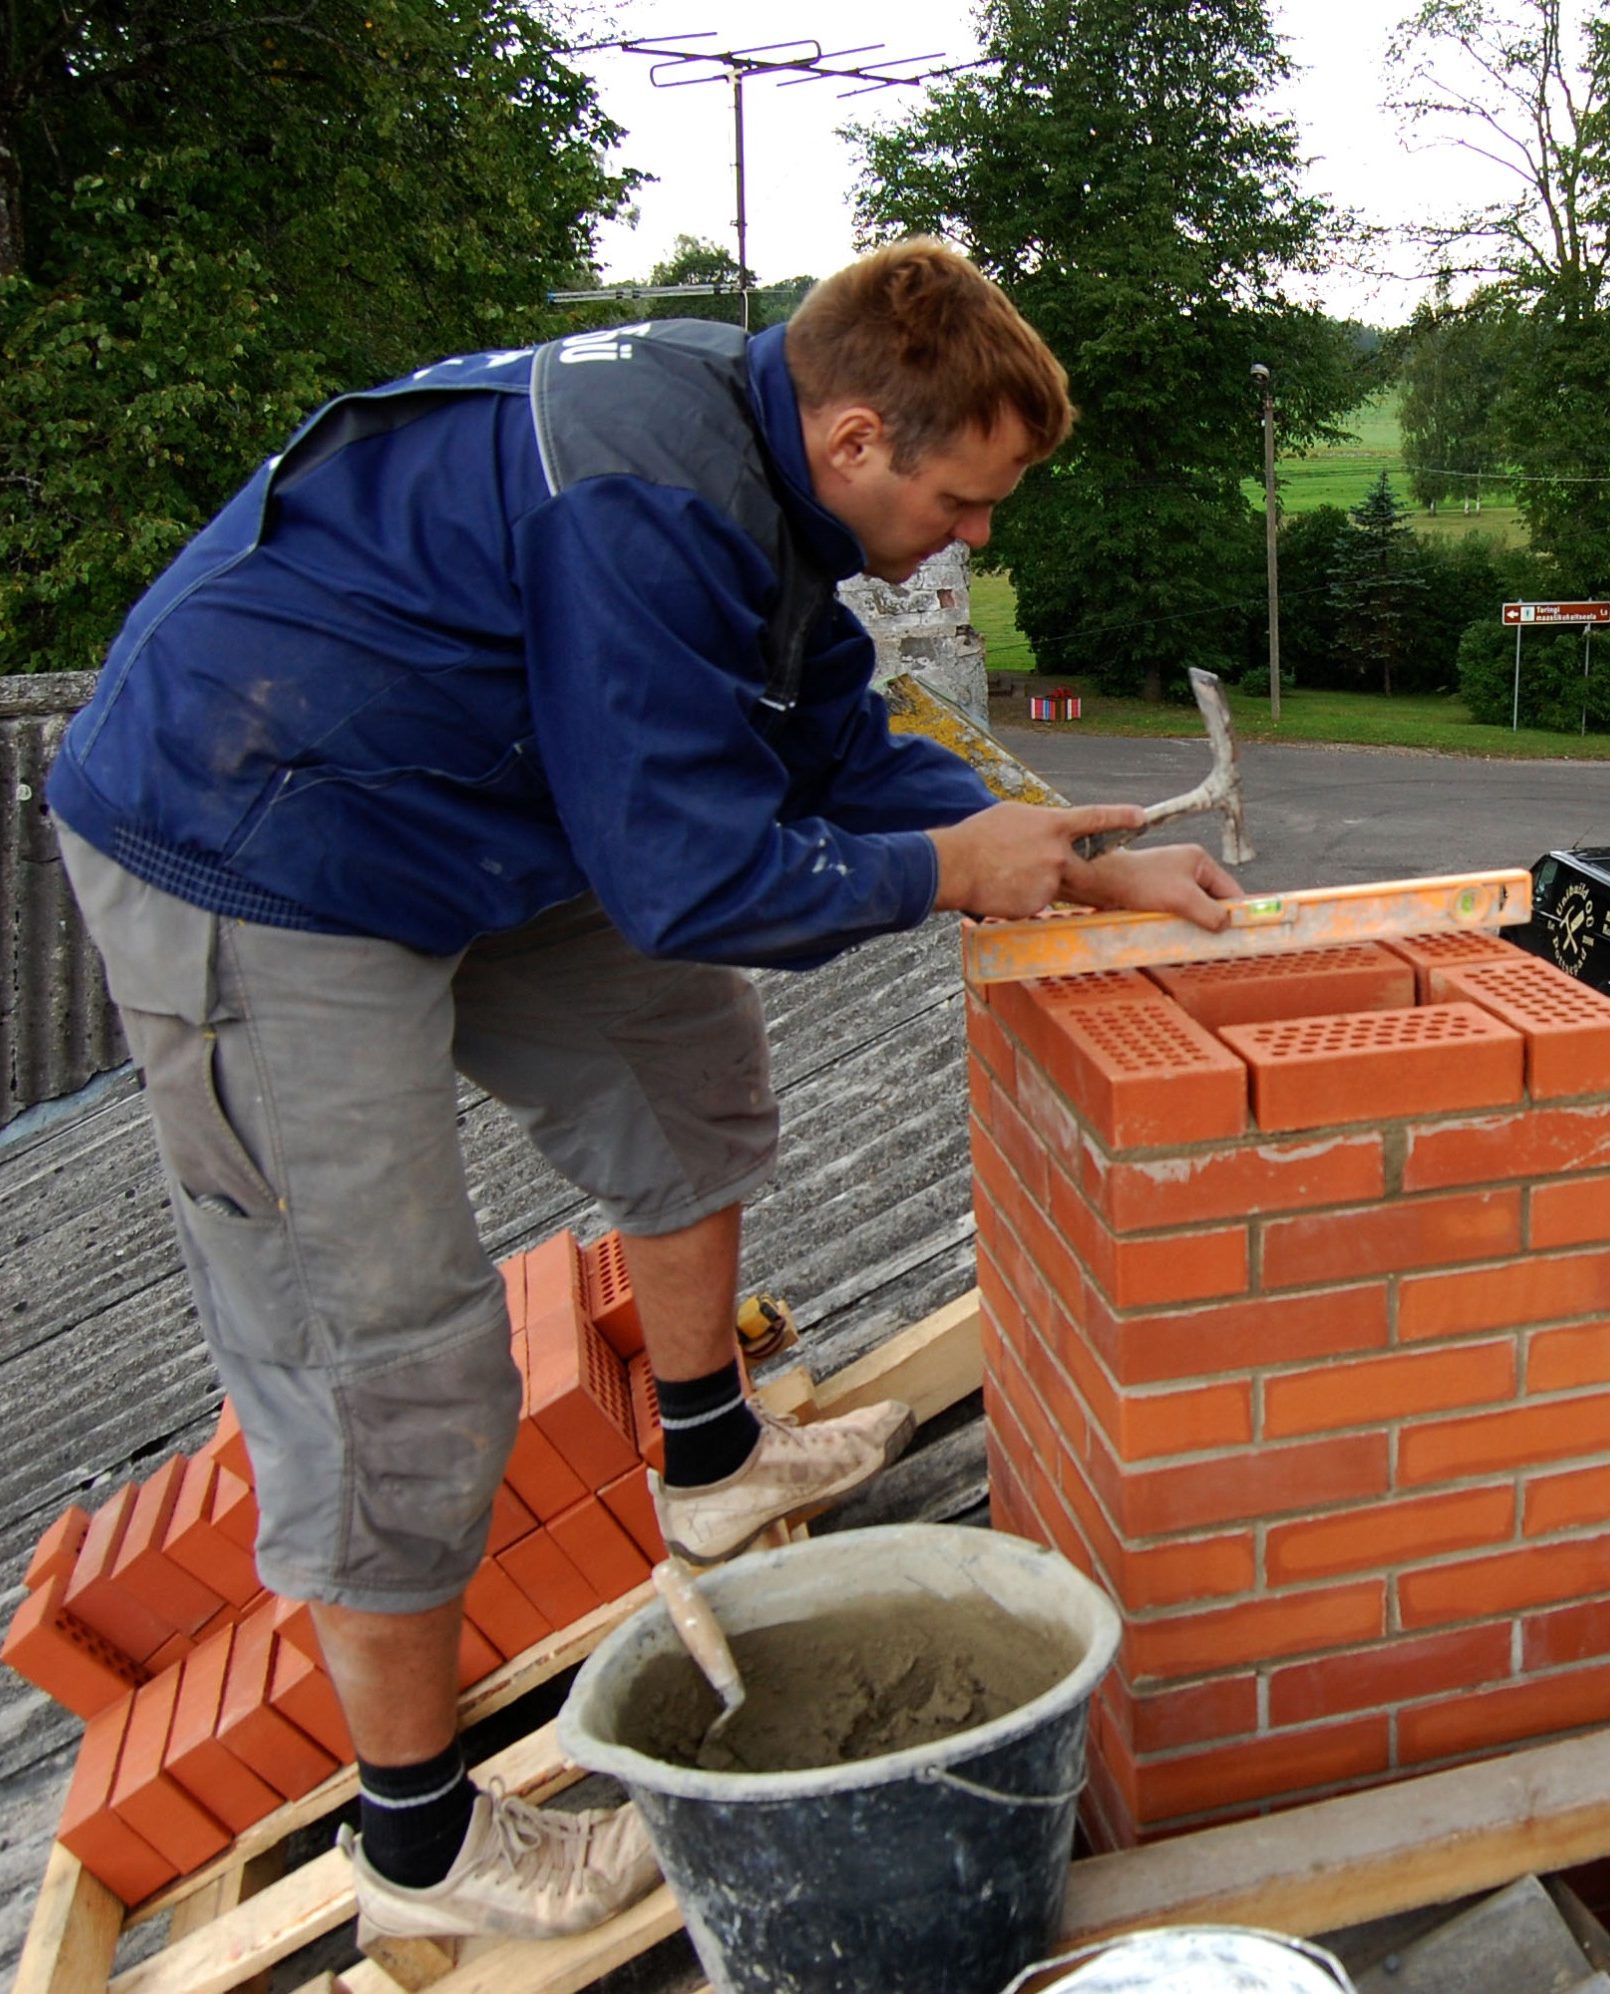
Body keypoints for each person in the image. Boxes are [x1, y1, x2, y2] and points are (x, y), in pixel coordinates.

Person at [45, 242, 1239, 1946]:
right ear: (852, 438)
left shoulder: (758, 472)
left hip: (467, 786)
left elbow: (830, 746)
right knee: (390, 1351)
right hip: (259, 838)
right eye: (968, 501)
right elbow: (691, 873)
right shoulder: (644, 505)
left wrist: (1066, 861)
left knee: (682, 1070)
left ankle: (708, 1453)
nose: (981, 537)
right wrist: (944, 877)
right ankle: (420, 1837)